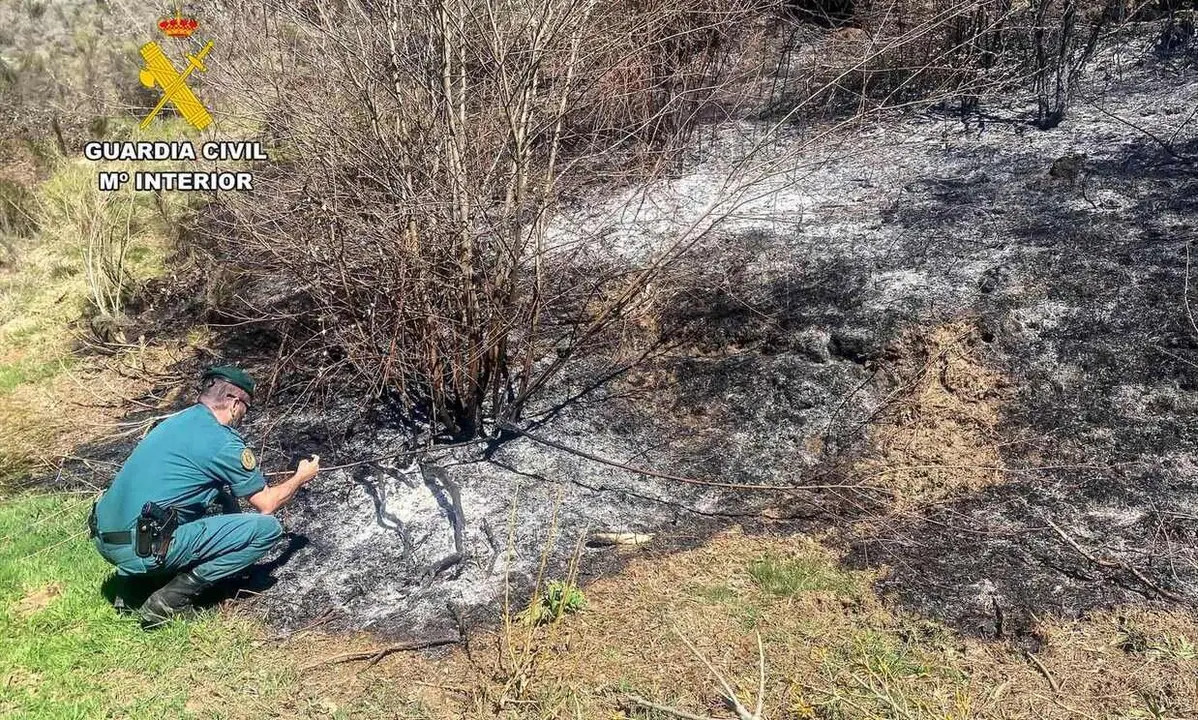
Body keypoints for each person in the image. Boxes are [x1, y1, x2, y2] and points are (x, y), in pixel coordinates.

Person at [89, 366, 320, 626]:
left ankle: (134, 587)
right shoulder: (222, 441)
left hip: (105, 540)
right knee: (267, 529)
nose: (244, 415)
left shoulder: (176, 422)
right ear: (234, 402)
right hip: (140, 548)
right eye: (246, 407)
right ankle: (168, 601)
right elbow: (266, 504)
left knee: (206, 500)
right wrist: (301, 476)